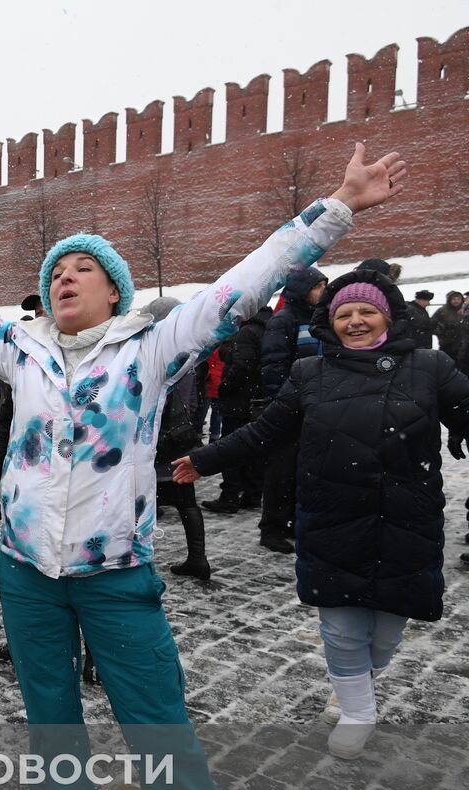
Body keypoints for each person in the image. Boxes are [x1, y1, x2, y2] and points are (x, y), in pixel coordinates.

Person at [0, 143, 408, 790]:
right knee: (50, 715)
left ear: (115, 289)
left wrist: (334, 209)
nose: (64, 279)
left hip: (115, 574)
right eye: (57, 271)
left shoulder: (151, 348)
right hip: (27, 573)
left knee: (156, 719)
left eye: (82, 269)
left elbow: (241, 284)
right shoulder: (18, 349)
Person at [174, 268, 469, 759]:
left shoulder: (429, 367)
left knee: (390, 628)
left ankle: (356, 687)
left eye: (366, 311)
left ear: (387, 317)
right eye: (344, 313)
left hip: (406, 518)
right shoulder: (309, 372)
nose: (355, 321)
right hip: (332, 516)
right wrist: (205, 460)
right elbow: (265, 432)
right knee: (341, 626)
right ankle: (357, 709)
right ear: (330, 320)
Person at [258, 266, 327, 553]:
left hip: (317, 408)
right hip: (291, 407)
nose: (323, 290)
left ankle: (295, 523)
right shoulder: (283, 320)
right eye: (317, 286)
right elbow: (274, 365)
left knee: (306, 470)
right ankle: (272, 529)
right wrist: (283, 403)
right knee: (281, 471)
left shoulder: (321, 318)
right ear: (302, 289)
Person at [142, 298, 211, 580]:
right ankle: (198, 557)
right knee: (186, 502)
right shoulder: (191, 352)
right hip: (180, 439)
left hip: (157, 441)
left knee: (139, 504)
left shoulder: (156, 354)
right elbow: (196, 401)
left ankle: (139, 562)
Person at [203, 305, 273, 513]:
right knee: (254, 449)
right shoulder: (268, 327)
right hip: (256, 400)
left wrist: (226, 387)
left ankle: (230, 495)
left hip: (239, 402)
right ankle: (252, 493)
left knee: (231, 448)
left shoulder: (247, 331)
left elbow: (242, 366)